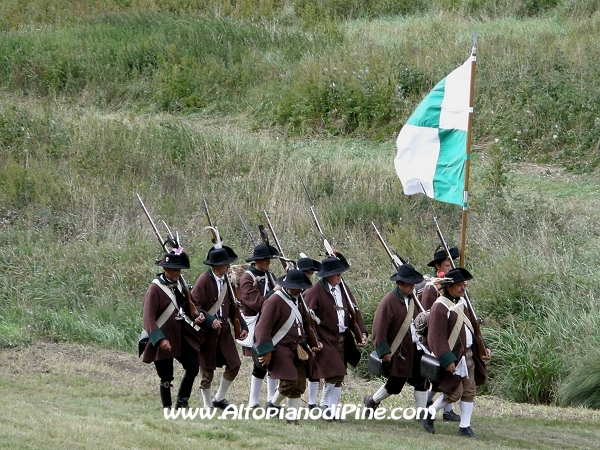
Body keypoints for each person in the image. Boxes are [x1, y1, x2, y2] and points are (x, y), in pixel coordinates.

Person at [423, 267, 491, 437]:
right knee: (455, 392)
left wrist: (483, 346)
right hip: (454, 357)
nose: (462, 288)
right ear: (449, 287)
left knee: (470, 391)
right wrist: (447, 359)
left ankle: (465, 426)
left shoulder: (462, 303)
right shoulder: (439, 306)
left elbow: (472, 329)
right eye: (459, 285)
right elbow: (435, 337)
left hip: (468, 354)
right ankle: (430, 412)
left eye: (463, 284)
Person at [303, 251, 368, 420]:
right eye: (337, 273)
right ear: (328, 275)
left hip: (342, 338)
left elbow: (355, 311)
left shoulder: (343, 290)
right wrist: (313, 340)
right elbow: (307, 318)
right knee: (336, 372)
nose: (340, 276)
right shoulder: (314, 291)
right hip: (324, 338)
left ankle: (330, 409)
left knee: (338, 376)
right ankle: (326, 406)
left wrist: (362, 332)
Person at [141, 246, 207, 409]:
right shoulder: (155, 288)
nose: (177, 273)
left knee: (193, 365)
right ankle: (167, 407)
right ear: (165, 269)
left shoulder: (179, 286)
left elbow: (186, 307)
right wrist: (160, 339)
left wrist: (197, 315)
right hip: (163, 334)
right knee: (166, 377)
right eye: (173, 269)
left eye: (179, 269)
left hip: (179, 333)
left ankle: (182, 403)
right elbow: (148, 318)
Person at [363, 264, 429, 418]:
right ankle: (372, 401)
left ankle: (421, 415)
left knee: (421, 381)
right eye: (409, 284)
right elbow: (379, 329)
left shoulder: (413, 301)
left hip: (414, 348)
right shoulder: (389, 301)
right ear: (400, 284)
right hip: (398, 351)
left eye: (413, 283)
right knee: (395, 384)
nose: (413, 286)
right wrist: (384, 351)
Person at [254, 269, 320, 422]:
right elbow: (262, 328)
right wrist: (266, 351)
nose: (301, 289)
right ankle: (273, 404)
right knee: (289, 381)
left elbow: (304, 324)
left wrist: (313, 342)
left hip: (298, 347)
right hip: (280, 347)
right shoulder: (274, 301)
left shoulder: (298, 300)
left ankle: (292, 418)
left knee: (299, 385)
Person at [191, 244, 248, 409]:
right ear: (216, 266)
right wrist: (209, 320)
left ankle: (219, 398)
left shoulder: (226, 281)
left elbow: (233, 307)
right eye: (225, 263)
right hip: (207, 332)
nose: (228, 266)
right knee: (207, 371)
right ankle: (207, 404)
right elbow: (193, 306)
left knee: (234, 364)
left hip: (223, 332)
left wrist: (243, 325)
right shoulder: (204, 280)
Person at [420, 246, 462, 423]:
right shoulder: (432, 288)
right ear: (438, 266)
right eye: (447, 264)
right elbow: (430, 316)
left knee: (447, 378)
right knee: (440, 377)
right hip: (437, 338)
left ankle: (446, 410)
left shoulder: (451, 285)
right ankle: (427, 406)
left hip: (451, 336)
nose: (450, 267)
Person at [238, 243, 280, 408]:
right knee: (260, 362)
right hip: (256, 324)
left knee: (272, 362)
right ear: (257, 261)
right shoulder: (247, 278)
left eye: (268, 259)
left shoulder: (268, 274)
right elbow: (258, 303)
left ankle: (271, 401)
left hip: (270, 323)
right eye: (265, 259)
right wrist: (275, 291)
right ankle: (253, 402)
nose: (268, 262)